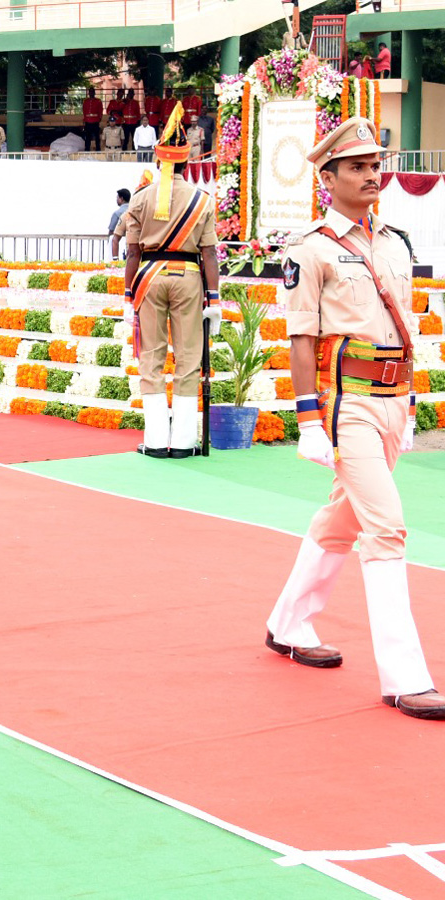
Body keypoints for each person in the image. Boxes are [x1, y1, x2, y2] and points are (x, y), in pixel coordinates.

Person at [263, 116, 445, 720]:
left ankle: (288, 624)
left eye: (375, 165)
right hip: (348, 406)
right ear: (329, 176)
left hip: (393, 402)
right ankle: (405, 676)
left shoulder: (395, 241)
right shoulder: (312, 249)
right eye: (358, 167)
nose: (372, 175)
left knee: (342, 520)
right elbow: (301, 339)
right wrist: (309, 419)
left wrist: (411, 398)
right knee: (386, 526)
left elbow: (404, 327)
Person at [122, 103, 218, 459]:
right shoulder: (202, 200)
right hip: (190, 278)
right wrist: (216, 297)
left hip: (149, 277)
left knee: (152, 356)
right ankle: (182, 442)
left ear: (159, 160)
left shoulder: (141, 198)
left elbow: (132, 252)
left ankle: (156, 438)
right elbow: (209, 253)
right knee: (189, 356)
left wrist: (128, 292)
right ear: (186, 162)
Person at [107, 187, 130, 256]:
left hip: (118, 245)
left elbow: (111, 231)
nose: (116, 199)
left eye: (117, 198)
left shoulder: (117, 213)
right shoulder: (134, 211)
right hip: (131, 243)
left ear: (121, 198)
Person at [82, 86, 103, 152]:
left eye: (92, 92)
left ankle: (98, 149)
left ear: (94, 93)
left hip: (95, 120)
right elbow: (84, 110)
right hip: (88, 121)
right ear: (89, 93)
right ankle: (87, 149)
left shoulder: (98, 101)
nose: (91, 93)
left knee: (97, 136)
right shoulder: (86, 101)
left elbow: (100, 110)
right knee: (88, 136)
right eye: (90, 92)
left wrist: (99, 118)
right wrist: (85, 119)